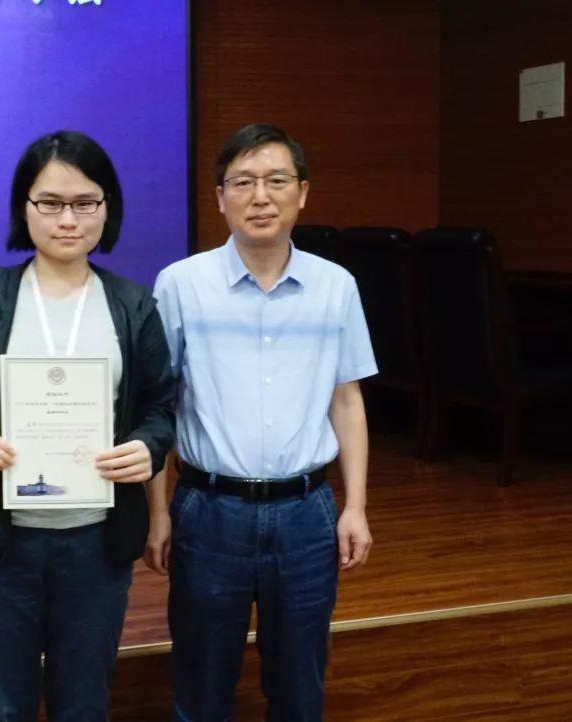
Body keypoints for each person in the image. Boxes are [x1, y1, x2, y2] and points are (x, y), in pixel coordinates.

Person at [0, 130, 176, 722]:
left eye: (85, 203)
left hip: (96, 545)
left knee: (83, 705)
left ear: (107, 208)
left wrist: (147, 446)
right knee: (2, 707)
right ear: (24, 208)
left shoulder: (133, 305)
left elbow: (160, 408)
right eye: (51, 203)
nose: (68, 219)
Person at [146, 123, 376, 721]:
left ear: (303, 192)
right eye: (243, 182)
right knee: (200, 685)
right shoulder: (181, 285)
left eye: (277, 180)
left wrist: (354, 506)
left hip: (307, 513)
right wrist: (158, 511)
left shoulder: (336, 287)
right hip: (208, 511)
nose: (261, 196)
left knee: (300, 687)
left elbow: (347, 399)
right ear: (220, 197)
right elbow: (158, 406)